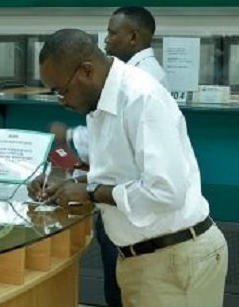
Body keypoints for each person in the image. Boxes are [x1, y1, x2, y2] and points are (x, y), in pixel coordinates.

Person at [30, 29, 228, 306]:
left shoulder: (141, 98)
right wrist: (68, 183)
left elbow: (166, 191)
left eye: (62, 91)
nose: (61, 101)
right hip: (145, 260)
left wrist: (89, 192)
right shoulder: (99, 103)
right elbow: (120, 173)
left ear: (87, 71)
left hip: (174, 261)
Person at [48, 6, 167, 307]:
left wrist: (65, 146)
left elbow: (115, 162)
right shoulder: (127, 81)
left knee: (120, 292)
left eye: (113, 33)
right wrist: (71, 178)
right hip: (121, 210)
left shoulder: (138, 85)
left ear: (133, 37)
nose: (106, 40)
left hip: (135, 223)